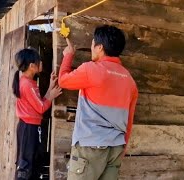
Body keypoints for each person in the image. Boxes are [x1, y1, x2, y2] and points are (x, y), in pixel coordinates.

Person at [58, 25, 138, 180]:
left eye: (92, 44)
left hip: (90, 146)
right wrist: (122, 148)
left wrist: (68, 55)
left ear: (100, 47)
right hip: (115, 149)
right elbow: (129, 121)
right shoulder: (130, 80)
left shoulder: (92, 69)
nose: (91, 48)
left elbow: (63, 81)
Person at [12, 48, 62, 180]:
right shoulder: (27, 84)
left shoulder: (29, 82)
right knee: (25, 166)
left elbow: (40, 103)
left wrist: (51, 86)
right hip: (28, 128)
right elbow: (41, 107)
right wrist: (52, 96)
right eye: (39, 61)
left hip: (32, 127)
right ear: (32, 66)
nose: (42, 63)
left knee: (33, 163)